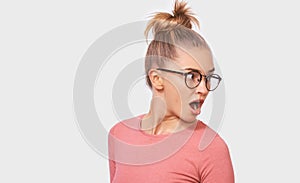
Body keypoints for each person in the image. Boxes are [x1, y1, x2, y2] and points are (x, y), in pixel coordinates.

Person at [108, 1, 234, 182]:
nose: (204, 89)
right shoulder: (119, 135)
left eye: (207, 78)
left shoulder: (211, 149)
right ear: (157, 79)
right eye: (192, 76)